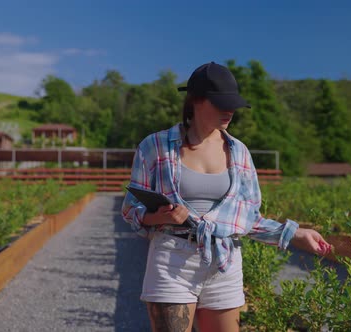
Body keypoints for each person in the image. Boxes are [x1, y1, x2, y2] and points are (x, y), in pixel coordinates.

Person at [121, 61, 332, 332]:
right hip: (173, 259)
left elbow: (247, 218)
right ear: (196, 100)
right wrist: (157, 216)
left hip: (225, 261)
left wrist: (294, 233)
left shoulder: (239, 152)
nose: (230, 110)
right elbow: (131, 210)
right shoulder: (155, 146)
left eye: (233, 103)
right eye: (221, 102)